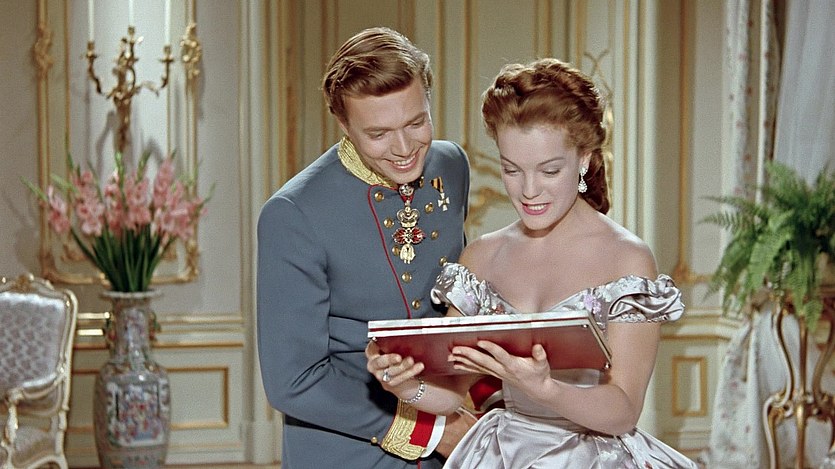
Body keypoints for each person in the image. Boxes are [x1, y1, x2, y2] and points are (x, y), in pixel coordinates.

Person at [366, 58, 698, 468]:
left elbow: (623, 410)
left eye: (549, 170)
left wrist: (546, 389)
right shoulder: (483, 257)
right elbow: (451, 393)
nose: (528, 190)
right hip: (501, 455)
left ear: (584, 158)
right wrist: (403, 385)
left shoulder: (626, 259)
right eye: (511, 169)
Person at [257, 27, 478, 468]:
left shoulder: (451, 165)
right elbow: (293, 381)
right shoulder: (292, 214)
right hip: (347, 450)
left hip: (451, 438)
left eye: (416, 123)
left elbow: (460, 301)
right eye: (378, 133)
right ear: (343, 125)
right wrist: (432, 431)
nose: (404, 149)